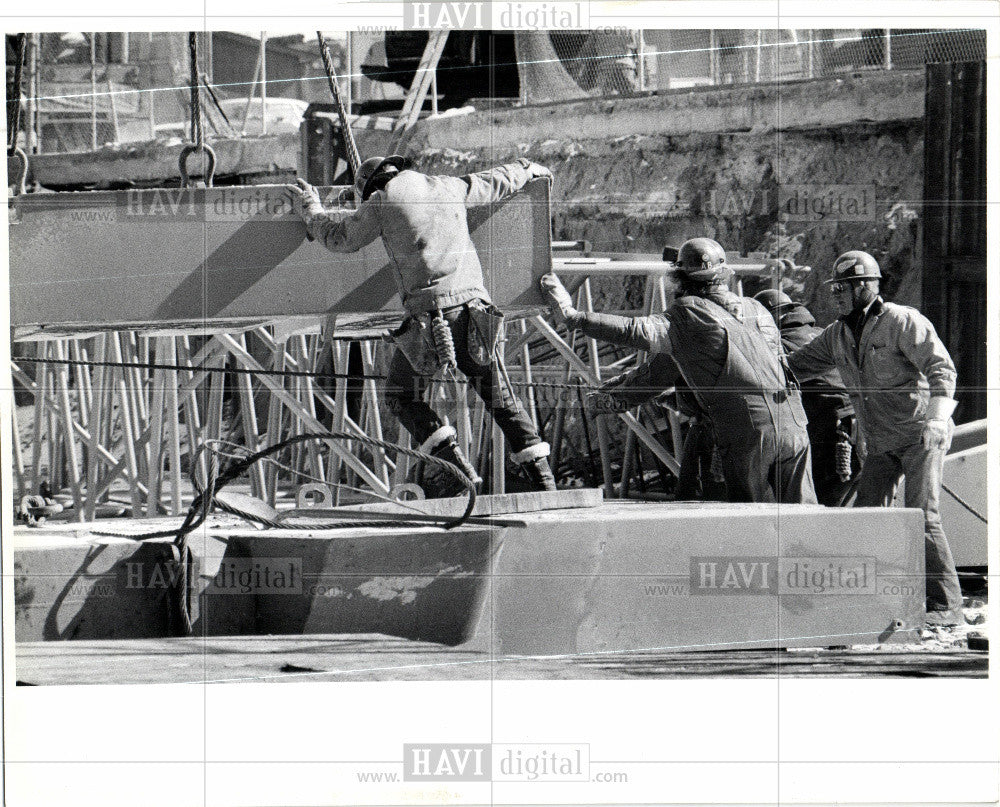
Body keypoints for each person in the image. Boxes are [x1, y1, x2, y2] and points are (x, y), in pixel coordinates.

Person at [286, 155, 557, 496]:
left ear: (371, 187)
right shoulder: (449, 185)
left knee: (401, 396)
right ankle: (544, 479)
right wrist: (527, 168)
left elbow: (342, 238)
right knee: (499, 397)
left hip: (433, 318)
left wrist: (310, 209)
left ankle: (457, 469)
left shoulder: (382, 201)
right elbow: (495, 181)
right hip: (478, 312)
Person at [540, 237, 817, 504]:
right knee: (804, 519)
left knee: (748, 524)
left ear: (680, 278)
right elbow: (764, 368)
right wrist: (623, 391)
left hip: (746, 434)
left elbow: (636, 332)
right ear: (725, 274)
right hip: (794, 424)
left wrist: (574, 317)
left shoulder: (687, 315)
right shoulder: (757, 309)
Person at [787, 250, 964, 624]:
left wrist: (936, 419)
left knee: (922, 516)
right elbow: (796, 367)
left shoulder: (901, 321)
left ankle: (945, 606)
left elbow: (941, 369)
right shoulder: (837, 335)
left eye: (843, 287)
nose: (836, 294)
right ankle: (876, 598)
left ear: (866, 287)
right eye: (835, 288)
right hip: (880, 442)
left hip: (919, 435)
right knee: (871, 516)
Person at [754, 289, 859, 505]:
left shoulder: (777, 345)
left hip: (829, 438)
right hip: (857, 431)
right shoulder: (824, 334)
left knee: (812, 509)